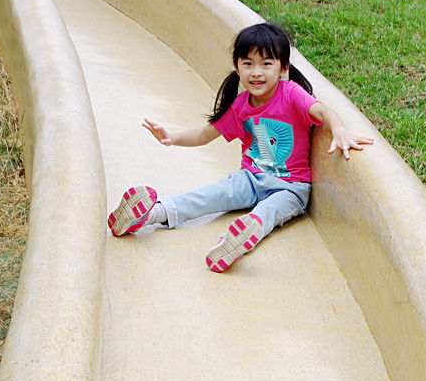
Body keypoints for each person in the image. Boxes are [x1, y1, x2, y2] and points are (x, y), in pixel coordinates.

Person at [107, 22, 374, 272]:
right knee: (210, 195)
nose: (256, 72)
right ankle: (149, 215)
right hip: (250, 178)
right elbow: (205, 134)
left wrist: (339, 131)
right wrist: (171, 138)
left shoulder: (291, 93)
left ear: (283, 69)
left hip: (290, 187)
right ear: (237, 68)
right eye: (248, 63)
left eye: (266, 64)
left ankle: (237, 238)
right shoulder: (241, 105)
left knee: (269, 211)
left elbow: (324, 111)